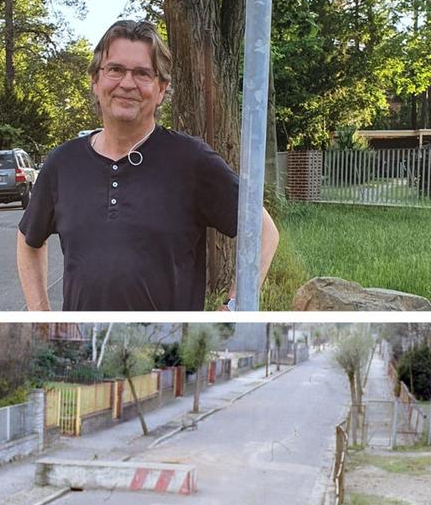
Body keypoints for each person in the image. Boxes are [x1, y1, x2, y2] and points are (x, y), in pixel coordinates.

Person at [16, 20, 279, 311]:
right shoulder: (62, 164)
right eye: (115, 70)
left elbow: (263, 232)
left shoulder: (191, 161)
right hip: (83, 351)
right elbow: (28, 240)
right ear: (95, 80)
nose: (127, 84)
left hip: (169, 353)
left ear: (161, 88)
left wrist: (234, 308)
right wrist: (41, 316)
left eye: (142, 73)